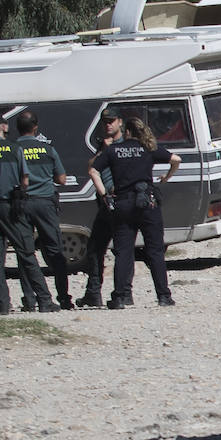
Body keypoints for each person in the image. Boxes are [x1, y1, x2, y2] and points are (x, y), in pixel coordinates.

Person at [89, 117, 181, 309]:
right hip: (148, 203)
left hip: (123, 204)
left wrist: (104, 194)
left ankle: (121, 297)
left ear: (127, 132)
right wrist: (166, 177)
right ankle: (164, 296)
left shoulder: (113, 150)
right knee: (155, 251)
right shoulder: (148, 148)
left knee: (123, 252)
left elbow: (93, 171)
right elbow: (176, 159)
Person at [0, 112, 55, 314]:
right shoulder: (15, 149)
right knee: (26, 253)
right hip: (11, 206)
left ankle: (1, 305)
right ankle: (44, 301)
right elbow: (25, 180)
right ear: (3, 127)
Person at [15, 110, 73, 310]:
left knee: (25, 252)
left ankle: (30, 299)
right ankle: (64, 297)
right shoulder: (47, 149)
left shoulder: (13, 149)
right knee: (55, 251)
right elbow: (62, 179)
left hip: (22, 203)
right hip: (45, 202)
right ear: (35, 127)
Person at [76, 107, 124, 308]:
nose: (108, 125)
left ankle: (122, 294)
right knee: (95, 249)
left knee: (123, 250)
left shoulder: (125, 144)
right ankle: (93, 292)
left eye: (112, 121)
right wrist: (104, 150)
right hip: (104, 205)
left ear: (120, 122)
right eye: (105, 122)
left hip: (120, 201)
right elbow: (91, 167)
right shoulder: (103, 145)